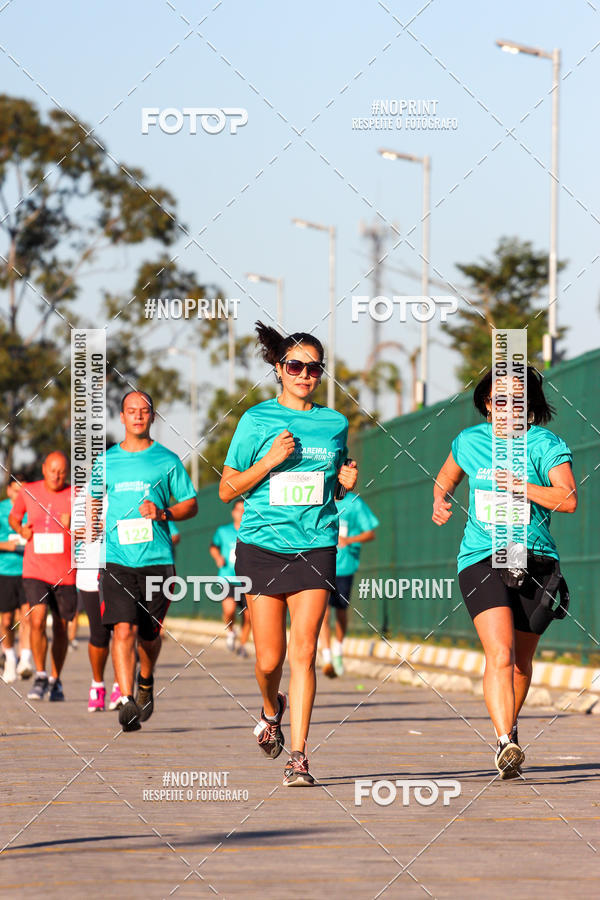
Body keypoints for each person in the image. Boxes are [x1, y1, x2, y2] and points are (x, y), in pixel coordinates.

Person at [220, 322, 357, 786]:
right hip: (261, 547)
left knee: (304, 653)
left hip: (315, 545)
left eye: (313, 368)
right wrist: (270, 461)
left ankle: (298, 756)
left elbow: (334, 476)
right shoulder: (255, 421)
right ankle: (269, 708)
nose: (305, 374)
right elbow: (226, 489)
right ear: (279, 369)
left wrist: (346, 481)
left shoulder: (334, 423)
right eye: (295, 366)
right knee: (267, 660)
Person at [432, 366, 577, 778]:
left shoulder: (544, 444)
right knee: (500, 652)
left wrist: (521, 487)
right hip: (482, 555)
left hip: (534, 558)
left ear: (529, 408)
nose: (506, 408)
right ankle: (505, 742)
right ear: (485, 404)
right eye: (498, 400)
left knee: (520, 664)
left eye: (517, 400)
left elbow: (567, 500)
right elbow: (445, 478)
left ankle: (508, 727)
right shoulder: (469, 441)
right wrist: (440, 500)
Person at [91, 390, 197, 732]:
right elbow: (93, 500)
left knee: (149, 635)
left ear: (153, 417)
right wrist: (90, 524)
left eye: (144, 410)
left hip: (157, 559)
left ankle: (146, 680)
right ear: (121, 417)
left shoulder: (167, 461)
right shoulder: (105, 461)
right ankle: (126, 701)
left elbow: (191, 505)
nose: (137, 415)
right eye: (130, 410)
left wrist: (163, 512)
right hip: (117, 559)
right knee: (123, 629)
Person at [9, 452, 76, 701]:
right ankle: (39, 674)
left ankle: (55, 679)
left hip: (66, 572)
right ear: (44, 468)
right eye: (52, 470)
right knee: (36, 620)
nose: (57, 476)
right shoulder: (29, 491)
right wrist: (21, 530)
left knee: (60, 627)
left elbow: (92, 526)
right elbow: (14, 519)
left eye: (62, 471)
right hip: (35, 568)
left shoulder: (76, 494)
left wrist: (75, 525)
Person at [320, 491, 379, 678]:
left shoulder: (354, 503)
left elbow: (370, 533)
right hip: (320, 566)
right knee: (323, 611)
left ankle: (337, 648)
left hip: (345, 567)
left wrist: (349, 540)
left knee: (341, 612)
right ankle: (326, 656)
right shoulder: (320, 497)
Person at [209, 499, 251, 657]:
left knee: (249, 616)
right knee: (229, 609)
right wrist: (218, 557)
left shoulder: (251, 531)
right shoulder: (223, 531)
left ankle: (243, 646)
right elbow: (213, 547)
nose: (241, 513)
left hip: (247, 581)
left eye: (244, 510)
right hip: (227, 578)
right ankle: (231, 631)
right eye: (238, 510)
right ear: (233, 512)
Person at [0, 475, 30, 683]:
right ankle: (10, 658)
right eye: (18, 491)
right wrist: (5, 545)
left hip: (29, 571)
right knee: (6, 620)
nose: (21, 496)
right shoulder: (1, 509)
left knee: (27, 617)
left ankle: (25, 660)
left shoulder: (32, 509)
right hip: (5, 571)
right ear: (9, 490)